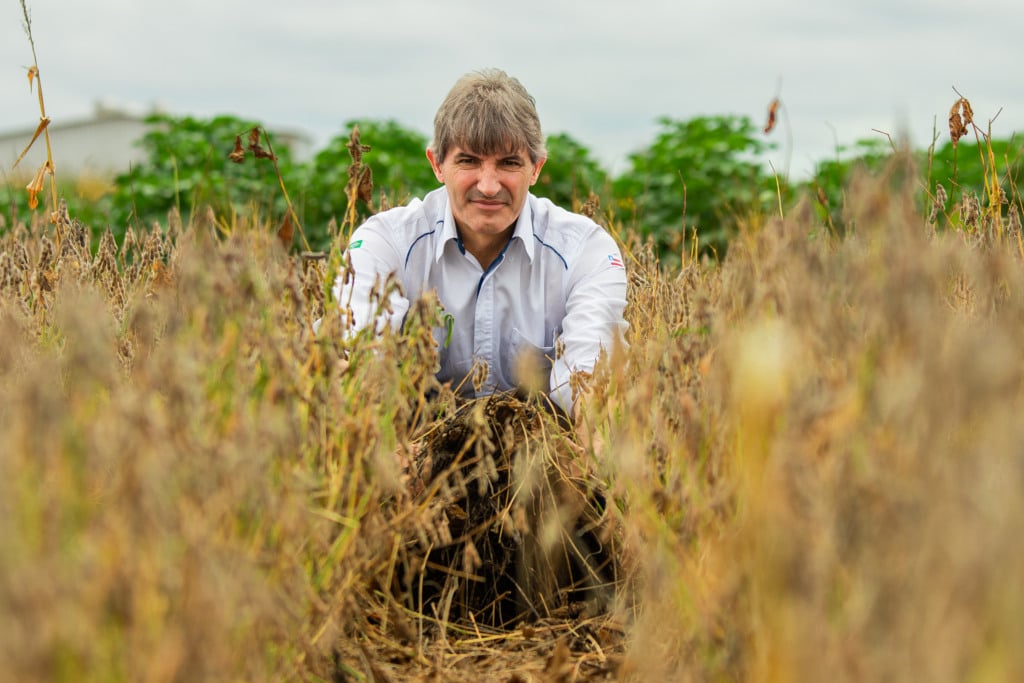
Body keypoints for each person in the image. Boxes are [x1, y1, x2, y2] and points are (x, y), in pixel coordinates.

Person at [331, 68, 628, 420]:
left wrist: (595, 462)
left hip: (542, 454)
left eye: (509, 163)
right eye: (468, 161)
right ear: (437, 164)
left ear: (536, 169)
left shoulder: (585, 251)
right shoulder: (386, 243)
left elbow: (594, 386)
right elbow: (357, 362)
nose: (488, 186)